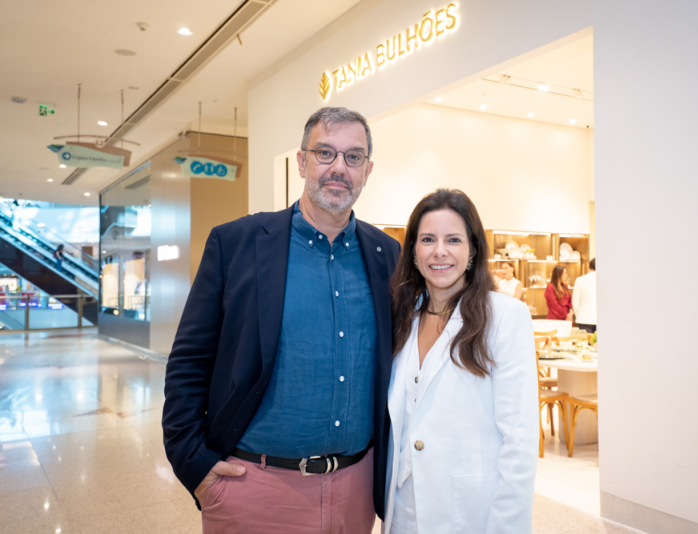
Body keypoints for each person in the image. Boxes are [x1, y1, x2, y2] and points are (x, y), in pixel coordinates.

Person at [162, 107, 401, 533]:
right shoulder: (236, 243)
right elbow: (189, 362)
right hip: (254, 489)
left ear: (367, 170)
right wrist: (193, 463)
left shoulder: (387, 255)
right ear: (301, 161)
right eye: (325, 152)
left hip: (356, 492)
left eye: (353, 157)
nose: (338, 168)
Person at [384, 188, 538, 533]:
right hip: (403, 508)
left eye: (453, 239)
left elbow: (520, 440)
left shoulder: (504, 316)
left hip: (469, 512)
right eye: (427, 239)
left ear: (472, 251)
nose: (440, 251)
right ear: (412, 252)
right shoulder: (401, 317)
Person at [572, 258, 597, 334]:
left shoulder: (580, 280)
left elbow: (575, 302)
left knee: (586, 344)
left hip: (584, 318)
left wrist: (579, 314)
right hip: (600, 318)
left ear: (588, 266)